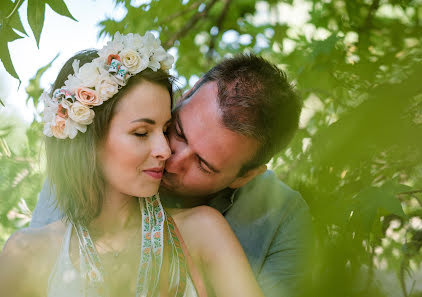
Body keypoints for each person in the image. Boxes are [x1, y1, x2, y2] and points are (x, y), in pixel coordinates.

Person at [31, 40, 313, 296]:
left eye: (203, 164)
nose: (170, 157)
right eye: (177, 131)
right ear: (188, 93)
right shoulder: (89, 175)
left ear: (245, 176)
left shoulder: (282, 221)